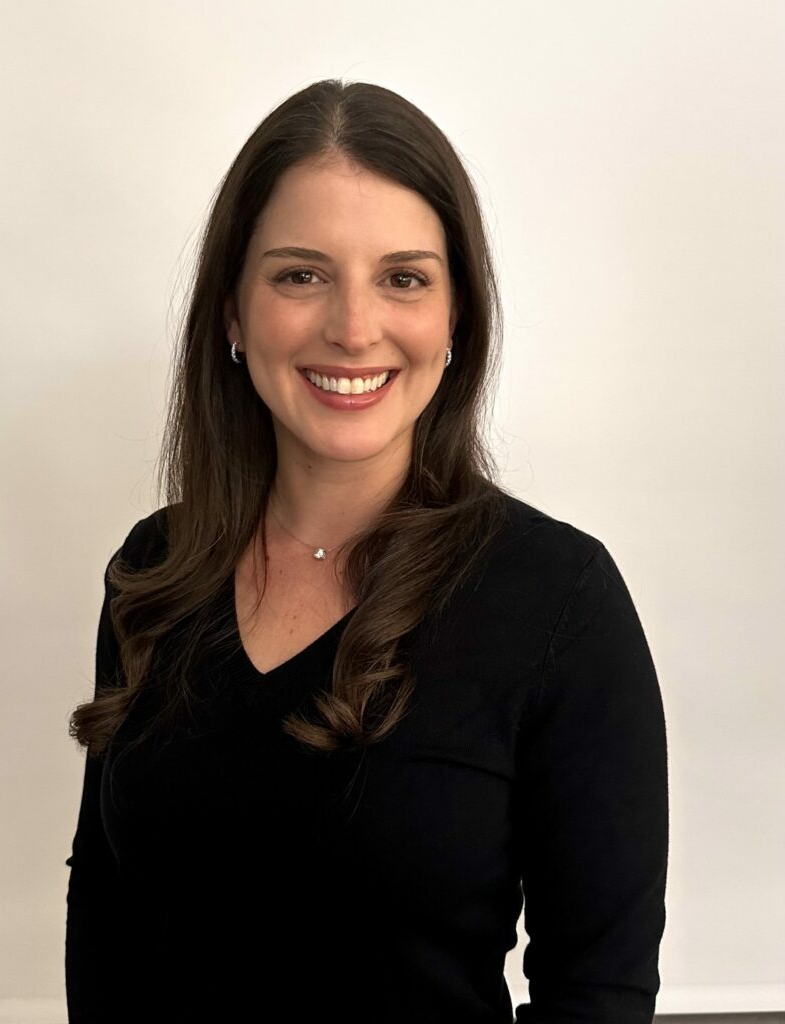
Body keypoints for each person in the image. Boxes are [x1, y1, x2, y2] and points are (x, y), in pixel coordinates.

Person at [64, 79, 668, 1023]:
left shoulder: (559, 599)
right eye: (301, 274)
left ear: (457, 315)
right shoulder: (155, 569)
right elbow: (106, 913)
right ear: (232, 311)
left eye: (404, 277)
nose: (353, 326)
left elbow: (598, 988)